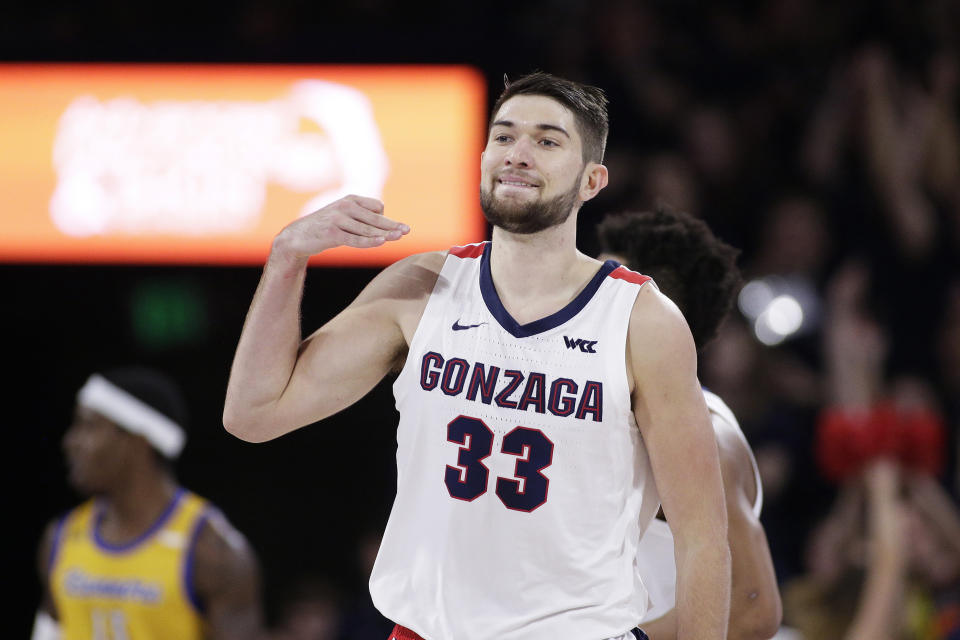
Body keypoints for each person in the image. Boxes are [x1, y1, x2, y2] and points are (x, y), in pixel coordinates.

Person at [223, 71, 730, 640]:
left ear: (593, 180)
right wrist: (288, 256)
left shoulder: (641, 320)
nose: (518, 154)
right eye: (504, 136)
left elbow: (702, 535)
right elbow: (253, 414)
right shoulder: (418, 287)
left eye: (546, 140)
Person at [595, 205, 783, 639]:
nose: (585, 297)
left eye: (606, 286)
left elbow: (753, 607)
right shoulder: (615, 407)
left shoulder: (707, 436)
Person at [33, 366, 267, 640]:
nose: (70, 442)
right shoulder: (60, 538)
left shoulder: (212, 550)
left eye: (89, 426)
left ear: (137, 441)